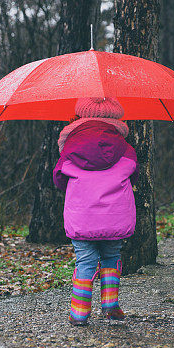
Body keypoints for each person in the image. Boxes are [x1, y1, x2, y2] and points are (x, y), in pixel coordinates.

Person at [53, 96, 139, 326]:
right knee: (111, 256)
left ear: (81, 117)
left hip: (81, 218)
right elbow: (134, 174)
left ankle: (79, 313)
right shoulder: (125, 149)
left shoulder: (70, 148)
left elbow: (59, 180)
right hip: (115, 217)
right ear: (115, 119)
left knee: (85, 261)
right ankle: (110, 307)